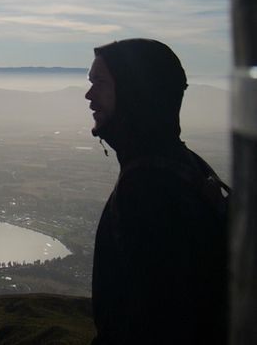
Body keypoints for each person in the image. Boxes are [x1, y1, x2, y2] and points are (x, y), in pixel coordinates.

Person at [85, 39, 229, 344]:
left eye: (100, 82)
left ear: (135, 91)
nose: (89, 95)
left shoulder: (148, 189)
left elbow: (156, 322)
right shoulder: (184, 164)